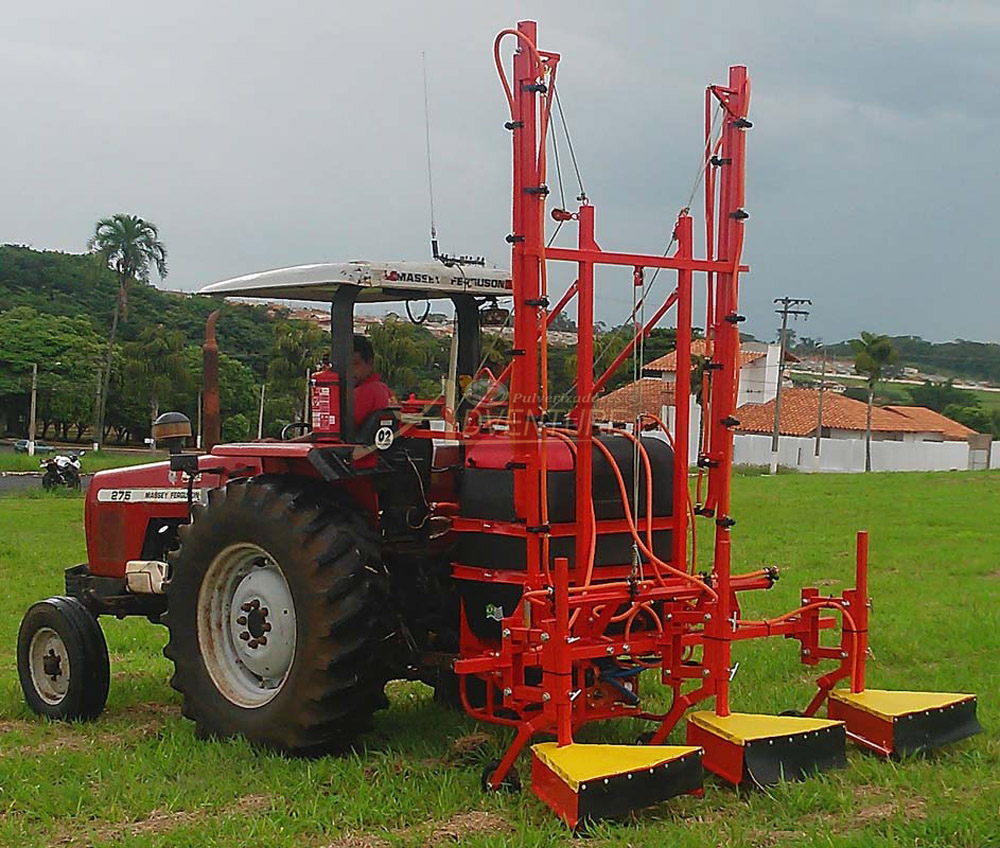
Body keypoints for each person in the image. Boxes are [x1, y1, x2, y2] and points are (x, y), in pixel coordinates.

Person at [351, 334, 394, 427]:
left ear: (370, 363)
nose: (349, 370)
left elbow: (341, 424)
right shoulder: (383, 388)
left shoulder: (366, 391)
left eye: (355, 363)